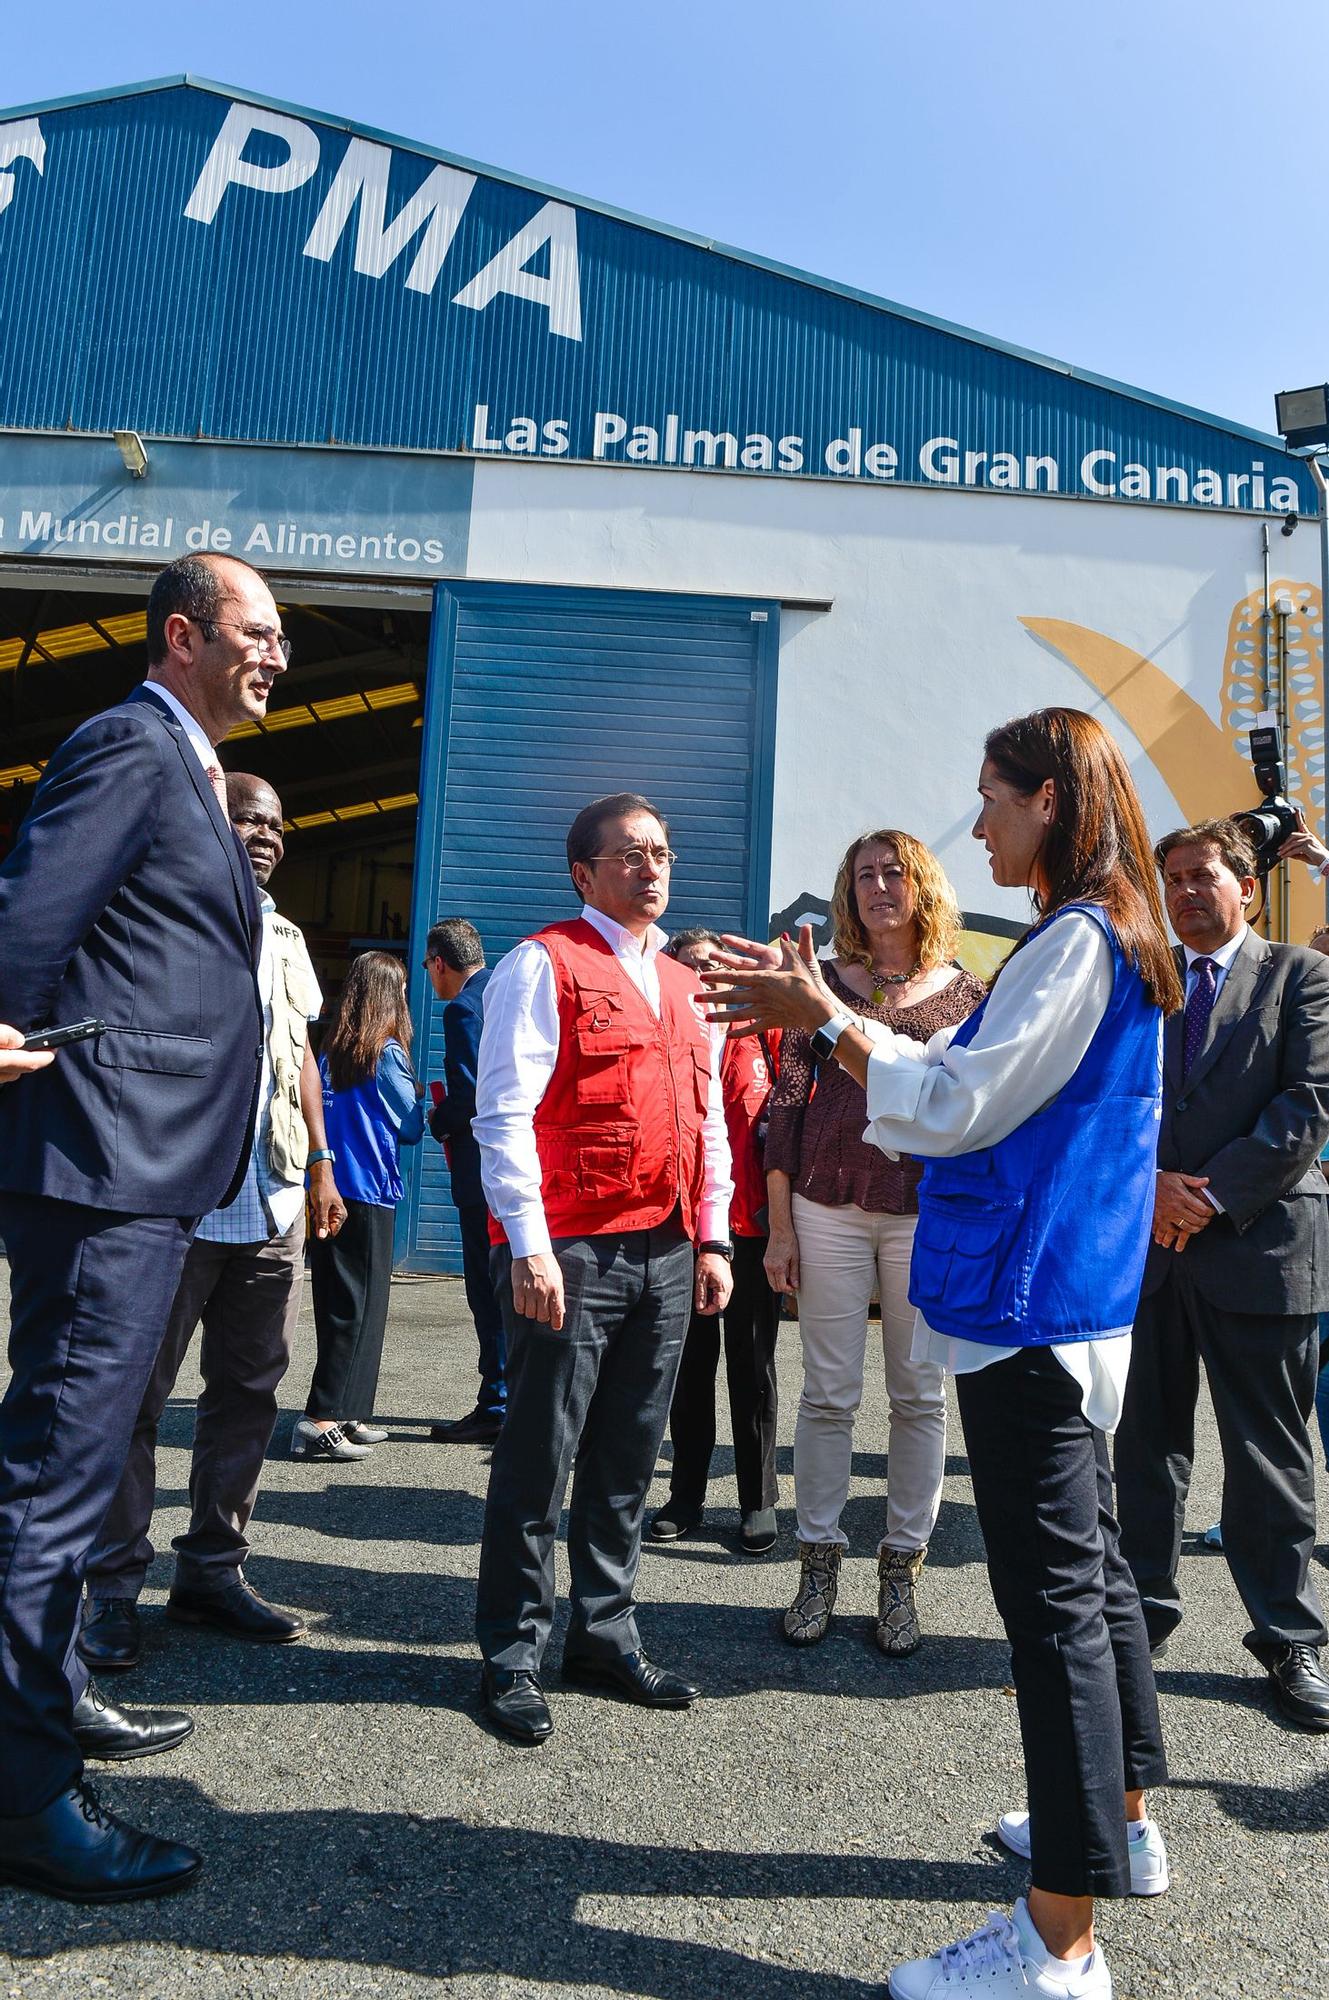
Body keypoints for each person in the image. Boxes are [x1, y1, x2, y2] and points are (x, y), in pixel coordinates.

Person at [706, 710, 1178, 2000]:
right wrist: (830, 1014)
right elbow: (977, 1083)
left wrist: (833, 1021)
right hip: (1063, 1302)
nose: (977, 826)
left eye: (992, 799)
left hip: (1032, 1309)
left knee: (1056, 1619)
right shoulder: (1099, 934)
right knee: (1097, 1589)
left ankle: (1057, 1940)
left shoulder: (1074, 941)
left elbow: (963, 1104)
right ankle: (1118, 1823)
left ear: (1050, 801)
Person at [0, 551, 281, 1902]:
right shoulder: (128, 742)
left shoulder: (189, 767)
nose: (277, 653)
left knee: (72, 1460)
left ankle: (44, 1715)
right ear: (183, 636)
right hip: (103, 1159)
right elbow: (31, 914)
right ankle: (22, 1794)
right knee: (53, 1477)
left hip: (146, 1169)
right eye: (258, 632)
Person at [472, 792, 734, 1745]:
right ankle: (510, 1652)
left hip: (664, 1249)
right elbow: (501, 1114)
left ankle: (603, 1633)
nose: (651, 869)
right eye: (628, 855)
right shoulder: (542, 965)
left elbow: (706, 1123)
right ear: (583, 873)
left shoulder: (680, 983)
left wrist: (710, 1238)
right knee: (539, 1458)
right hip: (574, 1250)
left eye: (661, 852)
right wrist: (528, 1248)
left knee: (627, 1455)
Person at [79, 773, 346, 1673]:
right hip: (173, 1200)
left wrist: (319, 1160)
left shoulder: (286, 934)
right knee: (135, 1403)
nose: (263, 833)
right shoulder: (162, 914)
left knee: (248, 1397)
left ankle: (212, 1572)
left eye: (273, 822)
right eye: (245, 817)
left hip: (267, 1201)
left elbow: (300, 1052)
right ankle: (111, 1589)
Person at [1113, 818, 1329, 1733]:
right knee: (1144, 1448)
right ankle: (1140, 1620)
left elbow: (1310, 1100)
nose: (1186, 891)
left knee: (1268, 1454)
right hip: (1149, 1251)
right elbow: (1107, 1099)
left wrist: (1205, 1198)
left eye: (1203, 875)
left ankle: (1288, 1635)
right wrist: (1148, 1187)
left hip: (1260, 1245)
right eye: (1172, 878)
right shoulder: (1139, 978)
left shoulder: (1301, 974)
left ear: (1246, 884)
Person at [757, 833, 983, 1652]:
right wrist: (778, 1228)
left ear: (922, 887)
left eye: (893, 873)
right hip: (824, 1206)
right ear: (845, 893)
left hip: (925, 1214)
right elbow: (782, 1107)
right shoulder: (816, 990)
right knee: (826, 1394)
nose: (878, 887)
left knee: (919, 1397)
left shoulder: (968, 996)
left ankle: (900, 1571)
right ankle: (816, 1561)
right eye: (862, 876)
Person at [648, 928, 783, 1556]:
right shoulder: (665, 1039)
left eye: (715, 966)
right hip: (684, 1226)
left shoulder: (760, 1033)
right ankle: (686, 1495)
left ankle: (757, 1500)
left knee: (752, 1368)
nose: (705, 978)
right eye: (692, 966)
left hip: (751, 1227)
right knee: (690, 1369)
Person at [292, 950, 424, 1461]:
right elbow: (411, 1128)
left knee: (338, 1305)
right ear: (392, 998)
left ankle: (347, 1412)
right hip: (368, 1191)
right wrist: (422, 1097)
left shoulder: (328, 1053)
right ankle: (321, 1418)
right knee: (361, 1309)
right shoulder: (386, 1054)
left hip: (330, 1188)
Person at [422, 918, 505, 1445]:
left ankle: (496, 1402)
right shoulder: (504, 990)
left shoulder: (463, 1008)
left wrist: (438, 1119)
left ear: (438, 963)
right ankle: (514, 1397)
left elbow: (473, 1094)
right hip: (524, 1170)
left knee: (487, 1287)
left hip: (481, 1173)